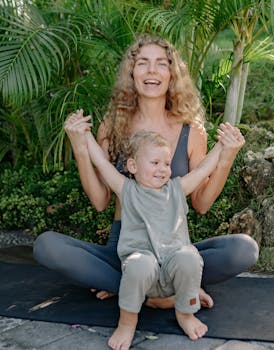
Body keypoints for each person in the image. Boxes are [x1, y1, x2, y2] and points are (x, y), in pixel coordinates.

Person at [33, 34, 258, 312]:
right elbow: (101, 201)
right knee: (47, 246)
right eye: (143, 63)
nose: (152, 71)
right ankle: (155, 291)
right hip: (126, 248)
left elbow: (201, 203)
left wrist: (226, 158)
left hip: (173, 247)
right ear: (132, 72)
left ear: (172, 74)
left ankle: (131, 286)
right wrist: (81, 148)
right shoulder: (112, 125)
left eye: (161, 64)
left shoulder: (191, 130)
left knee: (243, 250)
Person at [77, 127, 223, 349]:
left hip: (172, 272)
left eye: (166, 164)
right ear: (133, 166)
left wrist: (223, 145)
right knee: (139, 264)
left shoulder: (176, 189)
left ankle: (185, 314)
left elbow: (203, 170)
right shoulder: (127, 190)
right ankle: (127, 323)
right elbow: (102, 164)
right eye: (155, 163)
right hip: (142, 272)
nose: (163, 169)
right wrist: (85, 134)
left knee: (189, 257)